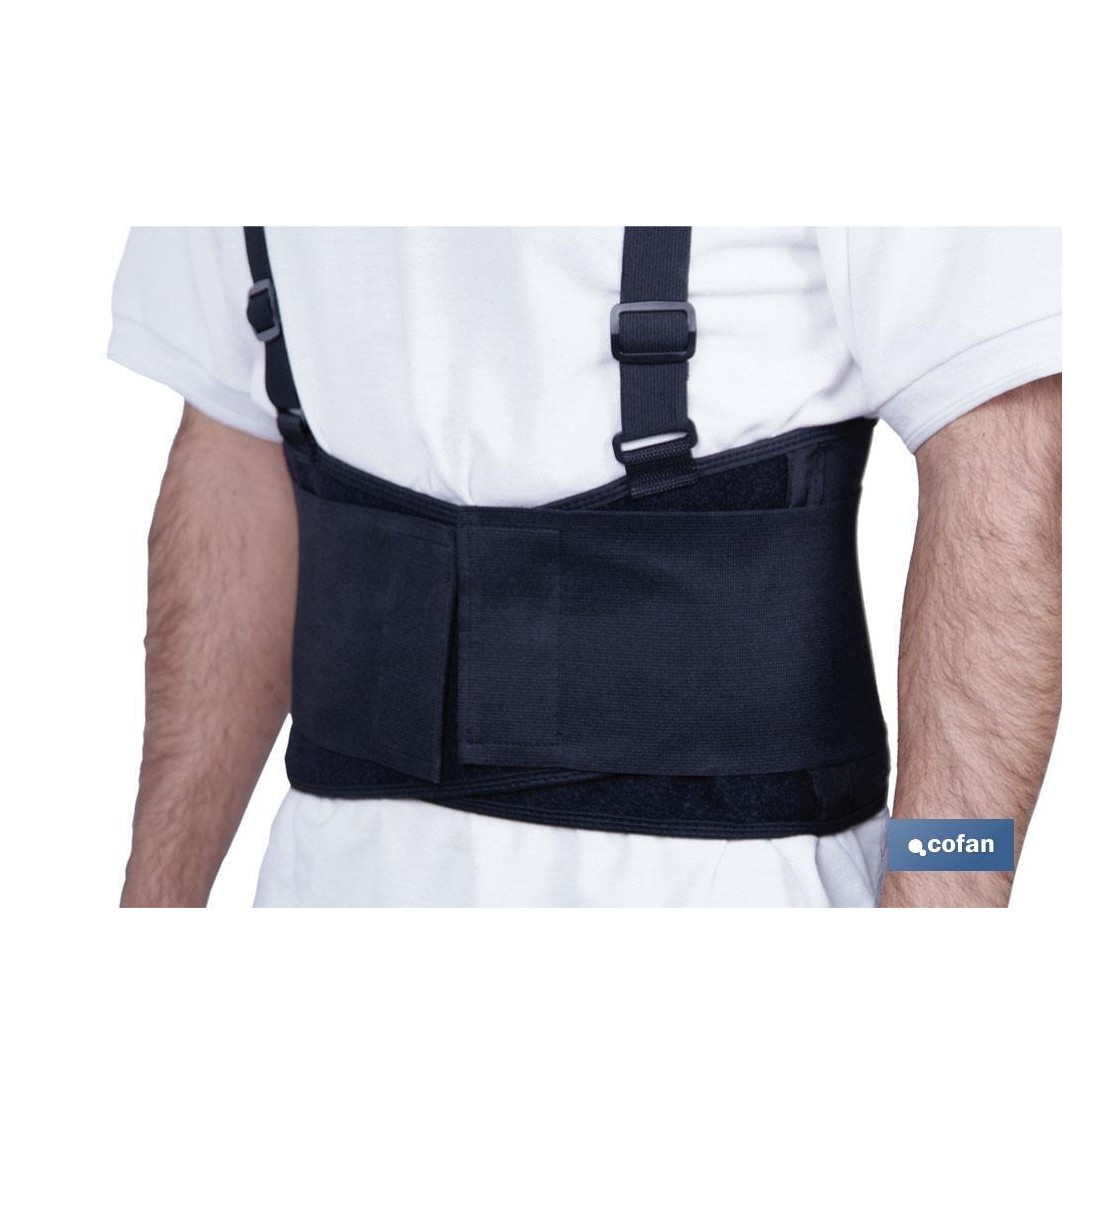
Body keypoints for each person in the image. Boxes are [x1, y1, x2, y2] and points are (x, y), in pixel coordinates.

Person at [110, 227, 1061, 907]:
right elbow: (232, 447)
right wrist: (152, 912)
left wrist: (942, 918)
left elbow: (1006, 461)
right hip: (323, 881)